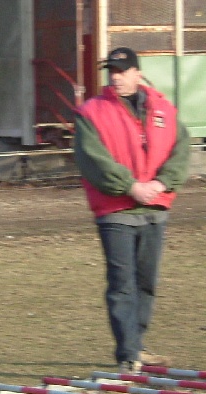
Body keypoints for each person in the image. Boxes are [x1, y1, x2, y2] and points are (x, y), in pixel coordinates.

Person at [74, 47, 190, 374]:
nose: (115, 76)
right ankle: (128, 354)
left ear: (137, 72)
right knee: (122, 282)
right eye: (111, 70)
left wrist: (163, 183)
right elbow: (92, 159)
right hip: (116, 210)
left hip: (155, 207)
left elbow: (180, 151)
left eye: (122, 70)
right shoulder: (91, 112)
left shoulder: (165, 109)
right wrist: (131, 186)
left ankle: (137, 345)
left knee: (146, 281)